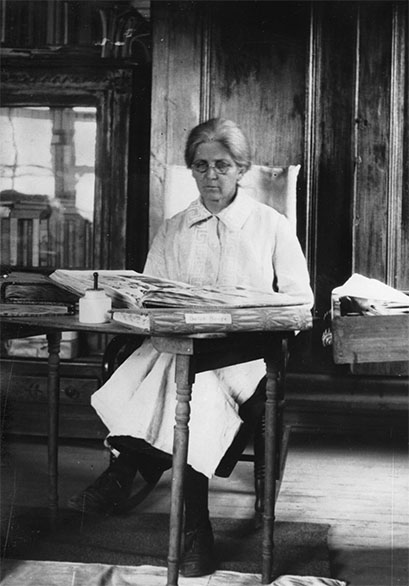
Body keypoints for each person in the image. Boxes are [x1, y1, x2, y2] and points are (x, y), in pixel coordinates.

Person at [68, 118, 314, 577]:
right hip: (177, 348)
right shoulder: (175, 228)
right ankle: (194, 529)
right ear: (192, 171)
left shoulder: (269, 225)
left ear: (241, 169)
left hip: (246, 354)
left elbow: (302, 301)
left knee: (188, 381)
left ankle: (129, 467)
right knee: (185, 374)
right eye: (200, 166)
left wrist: (249, 309)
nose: (211, 176)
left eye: (222, 165)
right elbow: (149, 293)